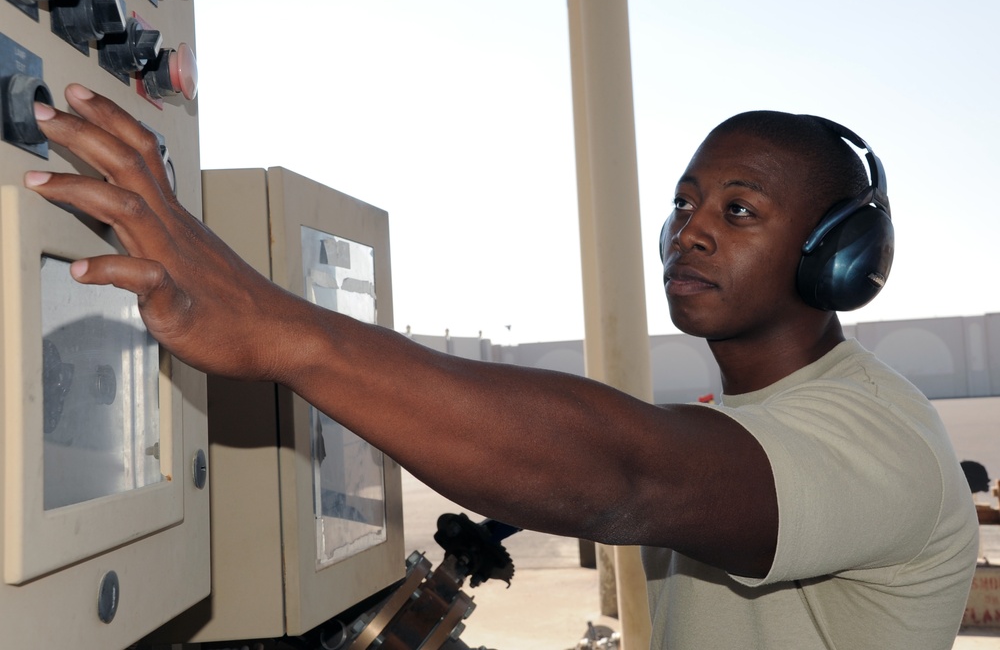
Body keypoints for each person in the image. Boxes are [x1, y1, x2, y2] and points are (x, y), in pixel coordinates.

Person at [25, 85, 978, 649]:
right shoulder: (749, 417)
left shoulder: (877, 437)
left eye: (738, 210)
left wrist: (274, 328)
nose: (689, 229)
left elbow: (626, 473)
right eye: (687, 202)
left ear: (837, 256)